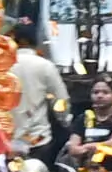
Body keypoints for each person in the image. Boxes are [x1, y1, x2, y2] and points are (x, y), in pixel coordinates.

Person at [8, 21, 70, 158]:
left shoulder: (2, 65)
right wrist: (65, 120)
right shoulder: (45, 66)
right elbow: (60, 100)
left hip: (7, 139)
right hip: (37, 138)